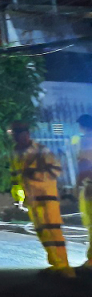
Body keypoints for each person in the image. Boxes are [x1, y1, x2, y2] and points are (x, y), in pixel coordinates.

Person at [10, 121, 74, 278]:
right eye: (16, 135)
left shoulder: (41, 150)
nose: (19, 138)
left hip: (47, 198)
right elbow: (15, 177)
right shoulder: (15, 152)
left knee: (53, 230)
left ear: (26, 134)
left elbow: (56, 169)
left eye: (21, 134)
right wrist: (19, 197)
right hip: (32, 199)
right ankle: (55, 264)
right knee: (42, 231)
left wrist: (36, 175)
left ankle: (65, 267)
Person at [76, 114, 92, 274]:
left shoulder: (87, 139)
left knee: (91, 223)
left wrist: (78, 184)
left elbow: (85, 163)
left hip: (90, 186)